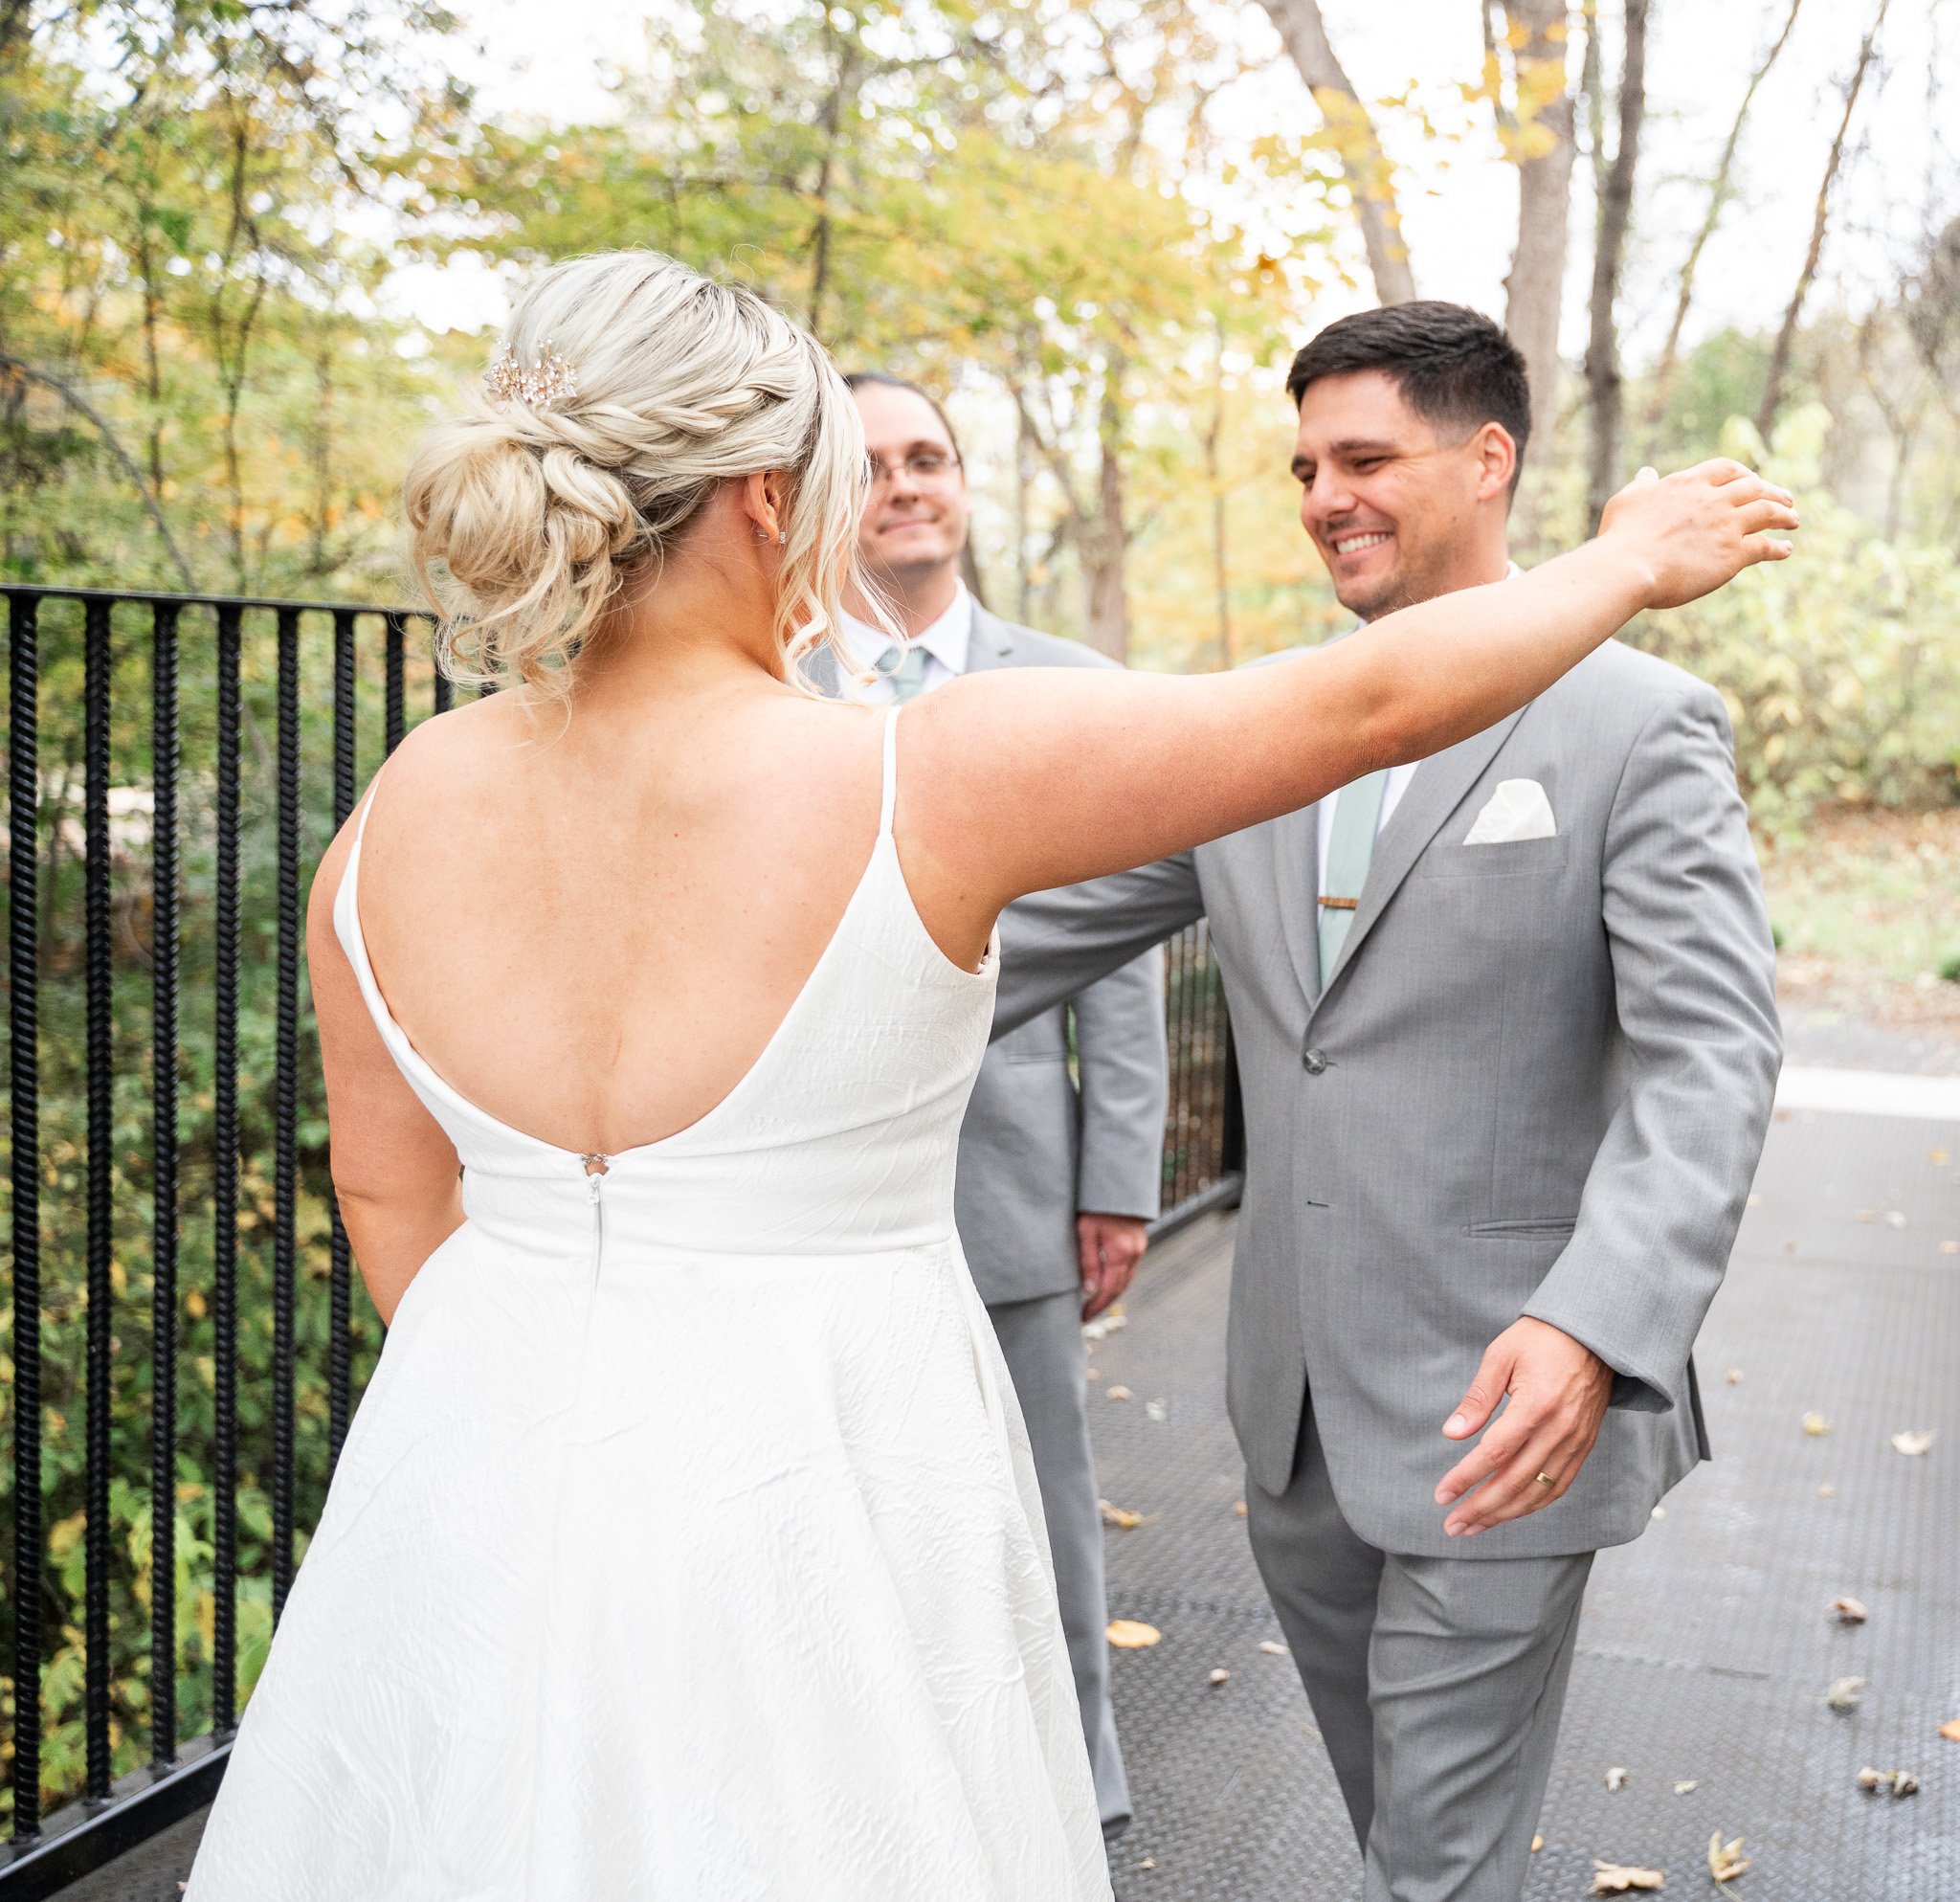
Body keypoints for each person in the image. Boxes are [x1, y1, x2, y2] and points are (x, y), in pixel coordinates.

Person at [181, 255, 1794, 1902]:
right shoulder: (925, 774)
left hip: (476, 1466)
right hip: (821, 1486)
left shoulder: (392, 814)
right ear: (761, 501)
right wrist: (1629, 558)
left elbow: (388, 1187)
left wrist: (551, 1395)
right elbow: (1372, 706)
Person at [986, 302, 1786, 1901]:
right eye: (1303, 469)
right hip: (1291, 1413)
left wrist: (1595, 1321)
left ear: (1488, 460)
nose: (1323, 498)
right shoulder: (1260, 730)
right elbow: (1012, 933)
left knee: (1432, 1864)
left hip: (1512, 1405)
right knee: (1399, 1837)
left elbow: (1715, 1057)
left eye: (1363, 458)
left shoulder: (1640, 725)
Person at [829, 369, 1167, 1843]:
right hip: (819, 1174)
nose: (907, 484)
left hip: (1014, 1168)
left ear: (964, 486)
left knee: (1038, 1483)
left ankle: (1075, 1781)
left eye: (930, 457)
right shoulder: (767, 684)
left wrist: (1121, 1175)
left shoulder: (1069, 687)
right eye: (873, 463)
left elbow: (1130, 951)